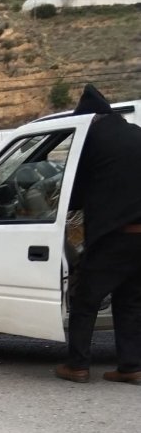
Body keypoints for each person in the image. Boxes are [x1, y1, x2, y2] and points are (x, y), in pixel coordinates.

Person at [55, 84, 141, 384]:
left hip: (111, 236)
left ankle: (77, 365)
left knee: (85, 299)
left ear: (89, 119)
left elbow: (74, 193)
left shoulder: (91, 141)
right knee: (129, 301)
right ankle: (131, 367)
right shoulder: (137, 134)